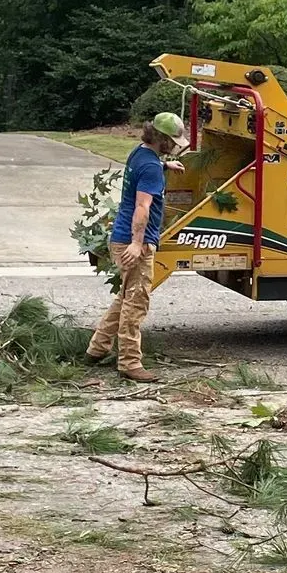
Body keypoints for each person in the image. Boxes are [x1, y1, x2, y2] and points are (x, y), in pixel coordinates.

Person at [87, 112, 185, 381]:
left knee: (126, 298)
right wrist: (137, 243)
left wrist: (166, 166)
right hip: (133, 243)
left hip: (120, 237)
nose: (175, 146)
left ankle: (97, 348)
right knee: (136, 304)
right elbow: (142, 207)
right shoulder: (151, 168)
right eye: (172, 141)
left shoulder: (140, 154)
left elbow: (147, 169)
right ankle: (129, 363)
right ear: (162, 139)